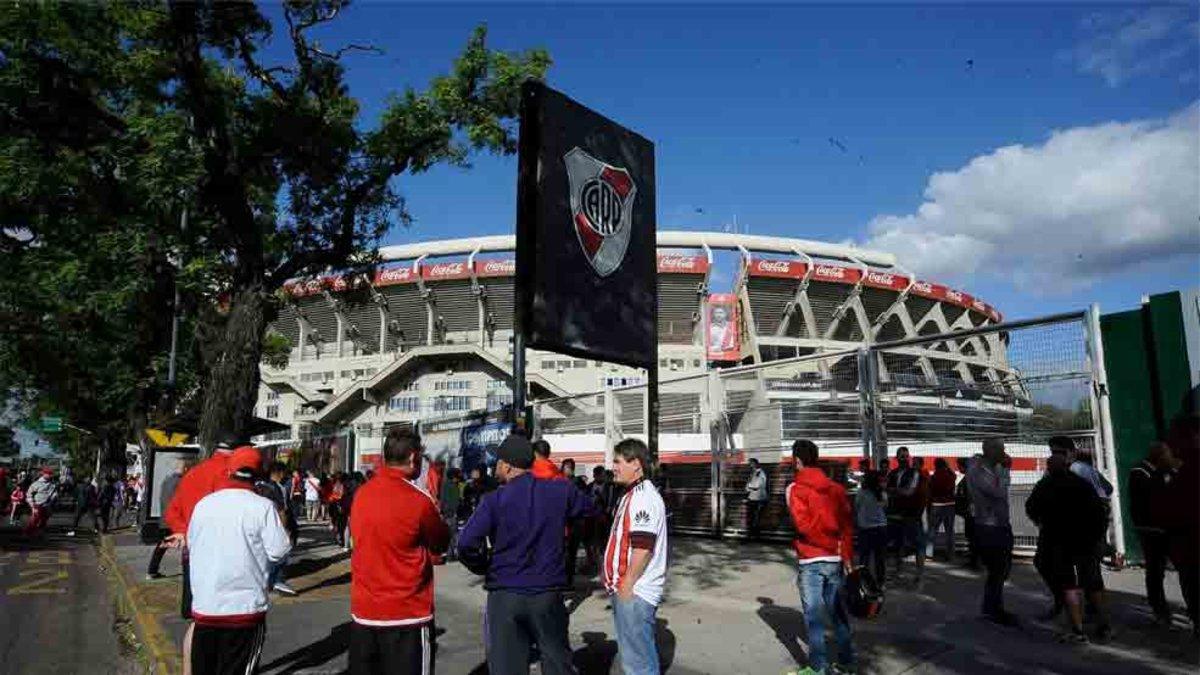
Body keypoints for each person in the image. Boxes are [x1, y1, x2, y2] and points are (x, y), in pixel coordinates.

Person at [458, 434, 595, 675]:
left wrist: (484, 566)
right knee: (556, 663)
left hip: (505, 594)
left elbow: (466, 543)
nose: (495, 466)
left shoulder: (494, 500)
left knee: (507, 667)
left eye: (498, 461)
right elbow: (591, 511)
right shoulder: (561, 491)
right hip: (547, 592)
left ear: (508, 466)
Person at [349, 427, 450, 674]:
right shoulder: (418, 500)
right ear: (413, 458)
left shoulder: (362, 494)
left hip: (365, 612)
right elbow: (440, 542)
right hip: (408, 613)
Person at [187, 446, 291, 675]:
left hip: (207, 606)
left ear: (229, 471)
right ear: (258, 474)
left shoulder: (204, 505)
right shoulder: (262, 507)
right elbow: (279, 550)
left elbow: (191, 544)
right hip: (244, 610)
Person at [162, 436, 240, 675]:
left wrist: (186, 535)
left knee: (198, 620)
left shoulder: (193, 474)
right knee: (228, 623)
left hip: (194, 554)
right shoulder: (231, 475)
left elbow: (172, 513)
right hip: (224, 557)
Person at [785, 439, 855, 675]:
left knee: (813, 617)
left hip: (810, 559)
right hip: (834, 559)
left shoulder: (795, 489)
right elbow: (846, 526)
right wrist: (845, 556)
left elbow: (802, 526)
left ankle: (817, 667)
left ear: (797, 460)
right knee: (838, 614)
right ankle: (847, 663)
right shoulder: (836, 489)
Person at [1026, 450, 1110, 643]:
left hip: (1058, 541)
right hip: (1085, 541)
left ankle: (1078, 630)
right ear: (1067, 467)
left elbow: (1031, 508)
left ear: (1049, 469)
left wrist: (1041, 522)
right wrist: (1097, 537)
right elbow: (1098, 512)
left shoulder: (1044, 486)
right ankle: (1104, 625)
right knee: (1093, 583)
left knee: (1068, 585)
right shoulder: (1082, 485)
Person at [603, 438, 668, 675]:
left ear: (637, 465)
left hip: (635, 591)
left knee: (637, 664)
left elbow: (643, 546)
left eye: (619, 461)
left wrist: (627, 584)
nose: (614, 467)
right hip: (630, 590)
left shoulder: (643, 497)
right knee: (636, 657)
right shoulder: (633, 494)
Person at [968, 438, 1017, 626]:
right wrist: (1005, 470)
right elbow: (998, 492)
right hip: (990, 527)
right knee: (998, 570)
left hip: (999, 525)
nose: (1005, 453)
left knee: (1000, 570)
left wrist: (1003, 471)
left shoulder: (992, 468)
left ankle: (992, 606)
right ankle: (993, 609)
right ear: (991, 451)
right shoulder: (979, 471)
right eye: (1002, 449)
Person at [1129, 441, 1178, 626]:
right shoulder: (1140, 472)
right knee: (1155, 572)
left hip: (1171, 529)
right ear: (1159, 456)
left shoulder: (1168, 471)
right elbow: (1153, 496)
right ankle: (1160, 610)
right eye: (1167, 455)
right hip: (1151, 531)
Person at [255, 462, 298, 596]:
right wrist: (285, 530)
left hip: (259, 526)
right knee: (280, 554)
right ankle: (275, 582)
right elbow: (282, 510)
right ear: (279, 473)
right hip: (276, 525)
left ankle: (265, 583)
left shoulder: (257, 486)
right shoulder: (278, 488)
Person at [885, 447, 925, 586]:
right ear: (897, 458)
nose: (904, 458)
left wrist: (895, 491)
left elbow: (910, 492)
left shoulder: (914, 473)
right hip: (896, 515)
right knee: (898, 545)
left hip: (912, 515)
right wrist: (900, 491)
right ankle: (898, 571)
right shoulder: (893, 473)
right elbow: (888, 490)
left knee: (918, 545)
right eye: (901, 456)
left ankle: (919, 575)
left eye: (906, 456)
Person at [147, 461, 187, 578]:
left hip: (165, 519)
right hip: (176, 520)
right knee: (187, 545)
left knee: (162, 546)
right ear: (184, 469)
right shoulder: (181, 482)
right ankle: (187, 569)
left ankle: (152, 571)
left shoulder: (166, 481)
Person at [854, 469, 888, 587]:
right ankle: (880, 582)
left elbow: (856, 506)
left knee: (864, 558)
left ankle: (865, 581)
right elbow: (885, 507)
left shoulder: (861, 493)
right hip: (881, 528)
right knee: (880, 558)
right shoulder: (881, 493)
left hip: (865, 528)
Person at [928, 458, 957, 560]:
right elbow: (954, 475)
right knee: (949, 531)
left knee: (933, 530)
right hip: (950, 505)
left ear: (936, 465)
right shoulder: (951, 476)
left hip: (937, 505)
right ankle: (950, 554)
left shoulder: (934, 477)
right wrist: (948, 467)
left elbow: (930, 490)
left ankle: (929, 554)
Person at [955, 456, 978, 568]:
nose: (958, 468)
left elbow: (969, 496)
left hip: (971, 512)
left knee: (972, 536)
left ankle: (974, 561)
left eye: (959, 466)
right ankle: (975, 559)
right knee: (973, 536)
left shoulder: (969, 478)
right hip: (974, 512)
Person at [24, 468, 58, 536]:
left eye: (51, 474)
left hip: (47, 504)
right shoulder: (37, 483)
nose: (50, 476)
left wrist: (54, 496)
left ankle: (39, 532)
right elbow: (29, 494)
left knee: (44, 519)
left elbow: (54, 493)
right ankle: (27, 533)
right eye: (48, 474)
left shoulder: (52, 484)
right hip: (37, 504)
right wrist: (32, 504)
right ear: (44, 474)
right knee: (34, 519)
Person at [745, 458, 769, 540]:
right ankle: (752, 535)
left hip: (758, 499)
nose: (749, 466)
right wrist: (748, 487)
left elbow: (756, 485)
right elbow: (749, 485)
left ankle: (755, 536)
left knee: (756, 518)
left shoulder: (760, 473)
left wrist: (749, 486)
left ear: (755, 464)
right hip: (752, 498)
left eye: (751, 464)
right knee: (751, 518)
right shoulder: (754, 473)